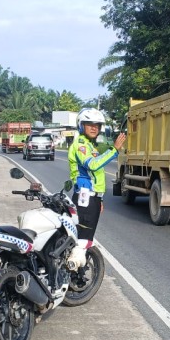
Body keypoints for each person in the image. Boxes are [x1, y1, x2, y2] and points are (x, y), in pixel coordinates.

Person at [67, 108, 126, 266]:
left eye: (97, 125)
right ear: (81, 125)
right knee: (83, 239)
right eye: (90, 124)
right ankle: (69, 276)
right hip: (85, 197)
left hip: (91, 197)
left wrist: (99, 198)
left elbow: (95, 176)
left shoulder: (89, 145)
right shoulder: (81, 145)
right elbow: (93, 165)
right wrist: (114, 150)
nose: (95, 128)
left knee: (84, 237)